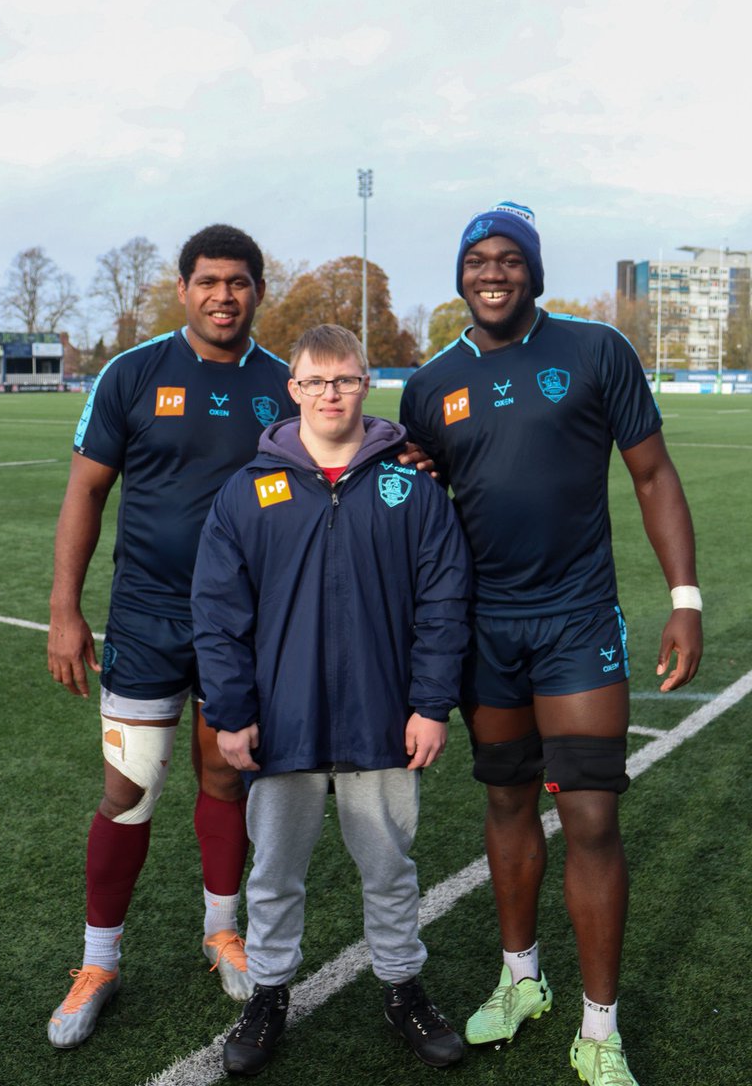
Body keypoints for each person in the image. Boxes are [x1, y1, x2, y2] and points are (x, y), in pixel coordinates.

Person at [399, 202, 703, 1086]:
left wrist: (683, 599)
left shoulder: (595, 351)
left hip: (576, 620)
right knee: (505, 806)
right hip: (484, 631)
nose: (492, 273)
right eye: (477, 261)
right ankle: (520, 979)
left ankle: (600, 1029)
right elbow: (416, 507)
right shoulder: (431, 385)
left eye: (509, 259)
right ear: (461, 274)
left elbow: (652, 473)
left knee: (592, 818)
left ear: (532, 270)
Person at [191, 324, 472, 1075]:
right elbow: (218, 612)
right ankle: (270, 992)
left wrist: (430, 704)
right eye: (315, 382)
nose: (330, 394)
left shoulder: (409, 488)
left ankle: (403, 989)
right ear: (294, 389)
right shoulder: (250, 491)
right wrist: (231, 711)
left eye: (344, 379)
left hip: (383, 720)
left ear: (365, 382)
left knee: (389, 869)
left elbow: (444, 602)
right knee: (275, 871)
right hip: (282, 724)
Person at [45, 224, 300, 1049]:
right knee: (129, 794)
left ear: (259, 290)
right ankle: (98, 961)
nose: (224, 295)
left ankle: (222, 931)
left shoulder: (281, 382)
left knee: (228, 784)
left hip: (246, 625)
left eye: (239, 281)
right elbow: (86, 490)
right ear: (183, 288)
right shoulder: (134, 373)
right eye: (209, 280)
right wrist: (65, 609)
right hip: (148, 620)